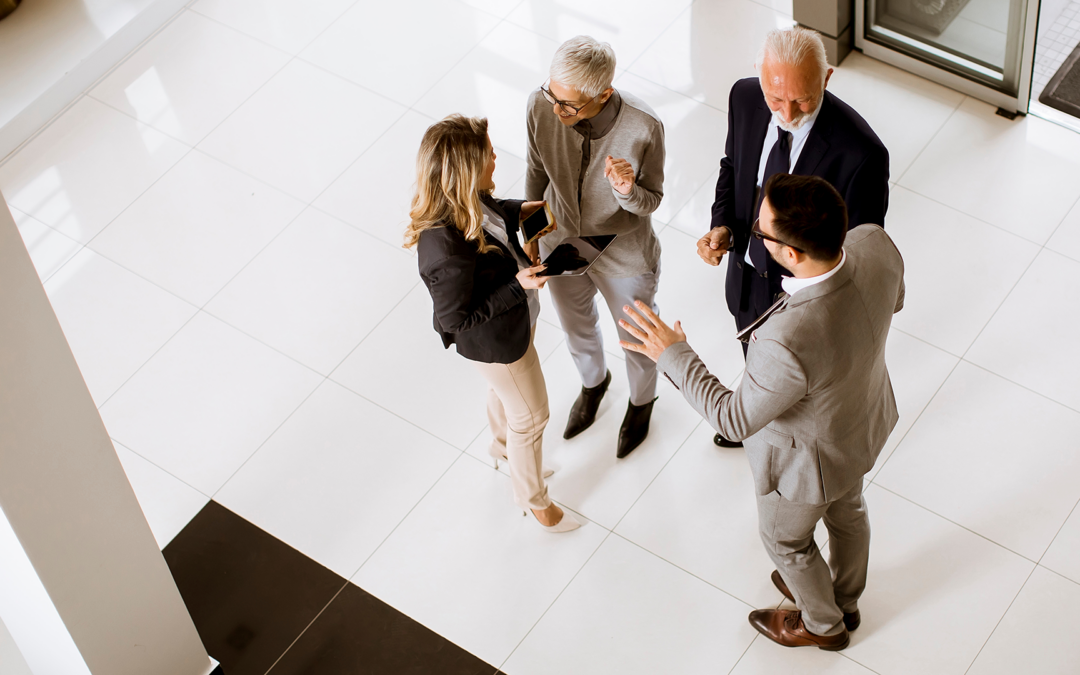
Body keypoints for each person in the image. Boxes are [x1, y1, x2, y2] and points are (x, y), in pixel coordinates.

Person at [622, 174, 904, 650]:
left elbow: (732, 418)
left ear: (790, 254)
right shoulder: (873, 242)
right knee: (849, 511)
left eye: (760, 228)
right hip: (861, 425)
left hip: (805, 465)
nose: (754, 226)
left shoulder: (787, 340)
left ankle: (823, 624)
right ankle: (846, 600)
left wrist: (673, 353)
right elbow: (892, 303)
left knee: (787, 543)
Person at [698, 27, 889, 448]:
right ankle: (756, 422)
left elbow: (860, 249)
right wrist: (724, 226)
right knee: (757, 360)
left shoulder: (862, 154)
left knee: (800, 385)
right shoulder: (744, 98)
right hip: (747, 277)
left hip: (804, 305)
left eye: (803, 99)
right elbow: (733, 166)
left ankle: (786, 439)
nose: (786, 113)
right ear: (759, 77)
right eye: (775, 98)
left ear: (827, 78)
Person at [406, 114, 580, 533]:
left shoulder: (466, 199)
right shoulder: (442, 248)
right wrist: (518, 287)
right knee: (533, 417)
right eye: (488, 154)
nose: (495, 158)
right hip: (497, 341)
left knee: (504, 395)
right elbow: (456, 319)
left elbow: (492, 213)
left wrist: (522, 210)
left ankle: (502, 448)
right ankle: (534, 501)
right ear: (466, 170)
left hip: (514, 322)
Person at [526, 35, 666, 459]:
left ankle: (642, 404)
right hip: (560, 243)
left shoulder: (644, 126)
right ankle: (594, 383)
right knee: (576, 328)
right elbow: (536, 172)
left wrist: (626, 190)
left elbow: (652, 200)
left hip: (623, 255)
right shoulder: (541, 104)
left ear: (603, 94)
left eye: (568, 105)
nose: (555, 110)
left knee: (638, 341)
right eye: (553, 94)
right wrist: (531, 238)